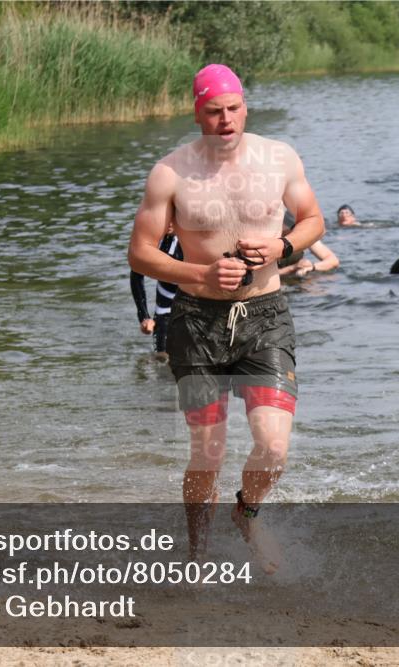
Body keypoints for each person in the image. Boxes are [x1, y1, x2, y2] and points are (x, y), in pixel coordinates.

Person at [127, 63, 325, 573]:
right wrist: (200, 273)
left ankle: (246, 512)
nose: (225, 120)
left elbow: (312, 221)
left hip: (266, 317)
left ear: (245, 107)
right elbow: (140, 254)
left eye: (233, 109)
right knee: (207, 452)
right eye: (213, 112)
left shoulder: (279, 157)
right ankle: (197, 558)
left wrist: (281, 245)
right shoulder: (170, 173)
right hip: (195, 324)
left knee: (273, 447)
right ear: (197, 113)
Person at [130, 230, 182, 359]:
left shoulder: (198, 241)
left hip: (196, 307)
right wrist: (144, 317)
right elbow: (136, 273)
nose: (169, 222)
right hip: (165, 310)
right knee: (162, 357)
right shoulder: (157, 241)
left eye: (173, 215)